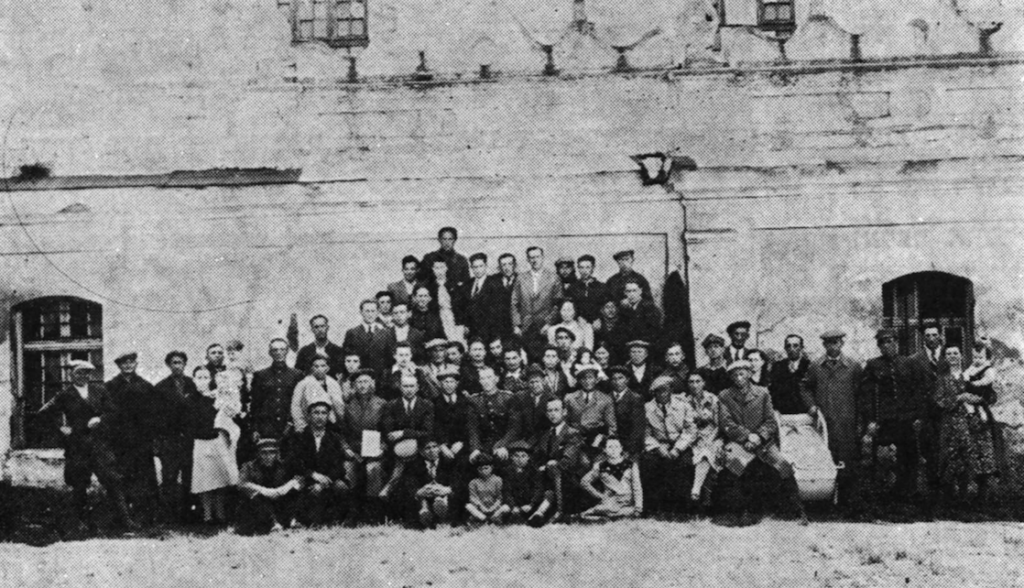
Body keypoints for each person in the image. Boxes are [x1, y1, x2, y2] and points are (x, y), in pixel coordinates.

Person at [36, 360, 133, 531]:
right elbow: (44, 414)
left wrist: (100, 419)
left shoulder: (99, 390)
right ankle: (78, 523)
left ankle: (124, 520)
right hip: (78, 446)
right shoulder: (65, 394)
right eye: (79, 372)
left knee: (113, 481)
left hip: (99, 445)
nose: (83, 376)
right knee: (79, 484)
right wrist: (61, 428)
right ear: (71, 374)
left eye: (87, 373)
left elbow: (113, 412)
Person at [718, 360, 807, 526]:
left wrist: (759, 436)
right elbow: (726, 423)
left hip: (763, 443)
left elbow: (771, 422)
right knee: (735, 466)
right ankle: (740, 512)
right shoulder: (725, 396)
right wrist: (746, 437)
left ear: (750, 374)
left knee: (783, 466)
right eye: (734, 375)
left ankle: (797, 510)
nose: (738, 378)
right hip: (739, 442)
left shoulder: (763, 393)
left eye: (742, 374)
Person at [800, 330, 864, 506]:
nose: (832, 346)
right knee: (825, 459)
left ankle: (846, 501)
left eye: (836, 342)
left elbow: (861, 395)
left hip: (846, 423)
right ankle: (825, 500)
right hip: (824, 423)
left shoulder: (853, 366)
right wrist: (811, 405)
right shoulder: (816, 366)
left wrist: (859, 421)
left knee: (847, 460)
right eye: (828, 343)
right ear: (824, 345)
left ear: (842, 344)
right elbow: (804, 387)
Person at [859, 329, 924, 500]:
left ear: (896, 343)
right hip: (885, 420)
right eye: (883, 342)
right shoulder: (873, 365)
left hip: (906, 419)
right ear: (879, 346)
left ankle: (908, 492)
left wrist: (918, 416)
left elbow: (917, 391)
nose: (887, 345)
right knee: (883, 458)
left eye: (890, 341)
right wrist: (871, 420)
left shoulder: (909, 363)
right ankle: (884, 492)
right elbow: (866, 396)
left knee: (909, 456)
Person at [932, 346, 998, 506]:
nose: (952, 356)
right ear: (945, 358)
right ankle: (954, 496)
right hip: (952, 424)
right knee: (953, 457)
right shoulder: (942, 378)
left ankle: (981, 496)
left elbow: (991, 394)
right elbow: (938, 401)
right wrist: (959, 399)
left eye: (955, 353)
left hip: (976, 422)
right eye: (948, 354)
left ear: (961, 355)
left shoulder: (972, 373)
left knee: (979, 456)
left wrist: (980, 400)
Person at [105, 351, 159, 525]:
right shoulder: (110, 386)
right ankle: (122, 515)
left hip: (141, 441)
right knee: (122, 476)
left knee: (143, 477)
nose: (128, 366)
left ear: (136, 364)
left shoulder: (146, 386)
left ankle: (145, 514)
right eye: (124, 363)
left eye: (131, 362)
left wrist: (151, 438)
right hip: (120, 440)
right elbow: (106, 414)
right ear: (119, 366)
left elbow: (153, 415)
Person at [188, 367, 241, 525]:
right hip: (200, 442)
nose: (203, 380)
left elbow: (230, 413)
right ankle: (207, 515)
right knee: (204, 480)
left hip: (217, 440)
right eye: (199, 377)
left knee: (219, 477)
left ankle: (220, 513)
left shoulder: (217, 397)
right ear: (194, 379)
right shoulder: (190, 398)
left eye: (206, 377)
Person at [287, 399, 351, 527]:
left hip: (328, 479)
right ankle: (296, 519)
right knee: (295, 486)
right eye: (316, 413)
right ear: (309, 416)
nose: (320, 417)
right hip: (306, 477)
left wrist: (324, 482)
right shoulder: (299, 436)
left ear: (328, 416)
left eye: (323, 413)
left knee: (341, 487)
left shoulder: (334, 438)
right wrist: (312, 474)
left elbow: (339, 467)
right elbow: (293, 462)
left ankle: (338, 520)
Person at [152, 350, 198, 524]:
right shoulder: (160, 387)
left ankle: (188, 514)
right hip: (169, 440)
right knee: (169, 478)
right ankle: (169, 515)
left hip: (189, 440)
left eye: (180, 362)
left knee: (189, 477)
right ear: (168, 365)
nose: (177, 366)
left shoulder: (193, 385)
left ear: (185, 364)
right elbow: (156, 417)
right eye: (174, 363)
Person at [642, 375, 696, 518]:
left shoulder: (683, 406)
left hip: (680, 444)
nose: (662, 394)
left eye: (665, 390)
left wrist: (677, 449)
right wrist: (658, 448)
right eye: (658, 391)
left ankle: (682, 510)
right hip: (658, 445)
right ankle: (654, 509)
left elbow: (690, 430)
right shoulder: (647, 408)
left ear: (671, 390)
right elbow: (646, 433)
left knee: (684, 465)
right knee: (649, 463)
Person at [339, 369, 388, 522]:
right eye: (359, 382)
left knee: (373, 469)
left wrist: (382, 448)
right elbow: (341, 433)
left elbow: (387, 432)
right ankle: (352, 513)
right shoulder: (348, 406)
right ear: (354, 385)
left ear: (372, 383)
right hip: (355, 451)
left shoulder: (382, 404)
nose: (362, 385)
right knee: (348, 469)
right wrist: (346, 448)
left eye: (366, 381)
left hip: (375, 452)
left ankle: (373, 514)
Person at [235, 438, 301, 535]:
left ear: (277, 453)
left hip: (279, 501)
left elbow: (299, 477)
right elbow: (241, 483)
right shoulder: (249, 466)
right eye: (264, 453)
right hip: (259, 504)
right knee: (256, 496)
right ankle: (273, 524)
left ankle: (293, 520)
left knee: (294, 490)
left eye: (272, 452)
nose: (268, 456)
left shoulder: (283, 465)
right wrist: (264, 490)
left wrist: (284, 488)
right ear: (258, 454)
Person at [963, 340, 1003, 500]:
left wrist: (969, 384)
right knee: (973, 449)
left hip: (983, 411)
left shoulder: (989, 370)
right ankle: (974, 488)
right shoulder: (972, 368)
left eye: (980, 356)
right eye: (974, 356)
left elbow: (982, 384)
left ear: (987, 357)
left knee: (985, 450)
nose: (977, 359)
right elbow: (964, 378)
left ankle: (987, 491)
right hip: (971, 411)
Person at [533, 398, 584, 519]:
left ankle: (560, 511)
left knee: (553, 467)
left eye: (556, 410)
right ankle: (536, 511)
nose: (553, 414)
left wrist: (548, 466)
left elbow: (568, 461)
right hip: (547, 477)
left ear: (564, 412)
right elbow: (537, 456)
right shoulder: (545, 435)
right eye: (549, 410)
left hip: (569, 477)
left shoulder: (573, 433)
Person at [683, 372, 725, 511]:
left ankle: (697, 489)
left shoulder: (713, 399)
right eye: (691, 382)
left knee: (708, 452)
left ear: (703, 383)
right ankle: (702, 498)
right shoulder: (685, 401)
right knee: (704, 453)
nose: (694, 385)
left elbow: (719, 424)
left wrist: (712, 439)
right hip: (695, 438)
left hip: (714, 436)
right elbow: (687, 426)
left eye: (698, 381)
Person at [511, 246, 562, 359]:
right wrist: (516, 324)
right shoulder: (521, 278)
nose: (534, 260)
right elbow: (514, 302)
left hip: (545, 326)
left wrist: (549, 323)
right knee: (526, 356)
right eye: (531, 257)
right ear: (528, 260)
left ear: (543, 258)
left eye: (537, 257)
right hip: (526, 325)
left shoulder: (554, 278)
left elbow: (558, 303)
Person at [249, 339, 304, 442]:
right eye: (275, 350)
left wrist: (291, 423)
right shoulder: (261, 375)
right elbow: (256, 404)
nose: (279, 353)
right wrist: (255, 428)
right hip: (267, 426)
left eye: (282, 349)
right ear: (270, 353)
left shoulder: (296, 375)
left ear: (287, 351)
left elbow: (300, 403)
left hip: (290, 427)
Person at [563, 365, 617, 469]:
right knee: (579, 462)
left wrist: (604, 439)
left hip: (596, 441)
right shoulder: (570, 398)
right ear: (579, 381)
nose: (587, 381)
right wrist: (572, 434)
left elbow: (612, 426)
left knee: (597, 465)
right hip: (575, 440)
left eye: (590, 377)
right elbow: (564, 422)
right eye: (584, 378)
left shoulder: (605, 399)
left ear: (596, 380)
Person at [579, 437, 643, 520]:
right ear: (604, 450)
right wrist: (599, 495)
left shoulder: (631, 465)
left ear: (621, 449)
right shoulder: (600, 466)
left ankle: (607, 517)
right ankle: (606, 517)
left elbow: (637, 487)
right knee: (592, 512)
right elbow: (584, 482)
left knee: (629, 512)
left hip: (627, 503)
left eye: (616, 447)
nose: (613, 450)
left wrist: (638, 507)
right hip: (609, 503)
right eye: (610, 447)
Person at [467, 366, 516, 463]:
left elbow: (514, 427)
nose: (486, 381)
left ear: (496, 379)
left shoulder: (508, 398)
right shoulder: (474, 400)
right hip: (483, 445)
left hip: (506, 444)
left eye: (489, 377)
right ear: (479, 381)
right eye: (482, 378)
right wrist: (475, 448)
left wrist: (503, 445)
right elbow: (473, 428)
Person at [403, 438, 456, 528]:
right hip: (424, 495)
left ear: (439, 448)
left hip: (443, 493)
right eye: (427, 448)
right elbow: (409, 482)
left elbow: (457, 480)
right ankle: (425, 512)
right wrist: (418, 491)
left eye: (434, 447)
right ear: (421, 451)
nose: (432, 450)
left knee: (443, 498)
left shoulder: (448, 463)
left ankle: (442, 515)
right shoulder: (414, 465)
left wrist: (447, 489)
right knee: (420, 500)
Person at [502, 441, 555, 526]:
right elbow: (506, 491)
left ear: (528, 458)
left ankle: (537, 514)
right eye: (516, 456)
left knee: (549, 494)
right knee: (506, 509)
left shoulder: (534, 471)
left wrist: (531, 504)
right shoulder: (507, 472)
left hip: (530, 504)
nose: (520, 459)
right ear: (511, 457)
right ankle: (519, 516)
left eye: (523, 456)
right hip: (516, 505)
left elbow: (539, 489)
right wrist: (513, 506)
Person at [291, 355, 345, 433]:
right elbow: (296, 406)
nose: (319, 369)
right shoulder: (303, 384)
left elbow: (339, 405)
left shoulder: (334, 384)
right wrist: (300, 425)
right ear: (311, 368)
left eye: (323, 366)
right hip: (309, 425)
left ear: (327, 368)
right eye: (316, 366)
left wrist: (340, 422)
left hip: (331, 425)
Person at [508, 365, 557, 448]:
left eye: (537, 381)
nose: (534, 385)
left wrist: (529, 443)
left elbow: (548, 427)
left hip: (544, 440)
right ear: (527, 383)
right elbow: (515, 424)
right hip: (523, 439)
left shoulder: (552, 399)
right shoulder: (520, 398)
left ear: (543, 381)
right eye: (531, 382)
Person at [343, 299, 393, 376]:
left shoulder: (385, 333)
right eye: (367, 311)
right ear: (361, 312)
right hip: (358, 377)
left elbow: (389, 359)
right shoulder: (352, 333)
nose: (370, 314)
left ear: (377, 313)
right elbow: (346, 357)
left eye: (373, 311)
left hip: (379, 378)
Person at [607, 365, 646, 459]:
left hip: (629, 446)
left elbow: (637, 429)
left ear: (627, 379)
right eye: (614, 379)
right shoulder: (606, 398)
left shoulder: (636, 398)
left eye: (620, 378)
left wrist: (628, 450)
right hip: (609, 444)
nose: (617, 382)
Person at [427, 258, 468, 346]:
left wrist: (464, 323)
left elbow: (462, 306)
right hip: (438, 319)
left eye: (442, 267)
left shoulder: (455, 285)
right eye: (436, 268)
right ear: (433, 269)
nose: (439, 271)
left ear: (446, 268)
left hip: (454, 318)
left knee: (457, 343)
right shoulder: (430, 287)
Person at [768, 334, 812, 414]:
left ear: (802, 348)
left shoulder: (810, 366)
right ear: (785, 348)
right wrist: (774, 409)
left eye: (795, 346)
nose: (792, 349)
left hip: (805, 415)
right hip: (783, 415)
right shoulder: (777, 367)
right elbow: (773, 391)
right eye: (788, 346)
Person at [565, 254, 610, 326]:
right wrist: (577, 317)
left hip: (598, 325)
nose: (584, 271)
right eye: (581, 267)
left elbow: (607, 306)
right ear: (578, 268)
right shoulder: (572, 288)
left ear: (593, 268)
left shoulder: (602, 287)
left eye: (587, 267)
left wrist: (600, 318)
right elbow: (568, 307)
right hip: (578, 324)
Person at [463, 252, 499, 339]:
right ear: (471, 268)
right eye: (475, 267)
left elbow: (498, 312)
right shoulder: (467, 285)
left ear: (486, 266)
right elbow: (464, 308)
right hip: (471, 334)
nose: (478, 270)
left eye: (481, 266)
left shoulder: (495, 284)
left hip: (489, 334)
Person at [465, 454, 508, 524]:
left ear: (492, 467)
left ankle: (492, 518)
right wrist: (482, 507)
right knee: (468, 506)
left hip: (494, 508)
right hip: (480, 508)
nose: (483, 471)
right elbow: (473, 498)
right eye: (480, 469)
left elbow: (500, 498)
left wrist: (493, 508)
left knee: (505, 507)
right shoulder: (473, 482)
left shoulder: (498, 480)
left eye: (486, 468)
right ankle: (484, 519)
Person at [490, 253, 519, 339]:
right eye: (503, 265)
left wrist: (518, 325)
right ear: (499, 267)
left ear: (515, 265)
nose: (507, 268)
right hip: (497, 325)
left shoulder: (521, 279)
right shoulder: (492, 280)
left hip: (516, 325)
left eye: (510, 264)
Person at [593, 299, 628, 364]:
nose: (610, 310)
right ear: (602, 310)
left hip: (620, 360)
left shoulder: (623, 325)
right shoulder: (597, 325)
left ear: (617, 309)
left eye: (613, 307)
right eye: (607, 307)